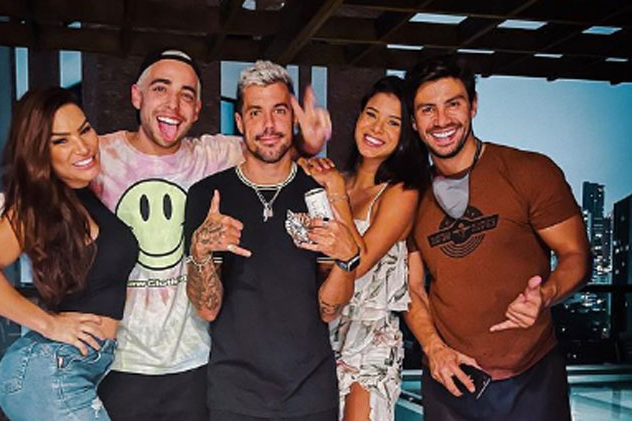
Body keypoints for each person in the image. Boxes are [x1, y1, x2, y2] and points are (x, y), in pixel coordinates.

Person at [0, 49, 330, 419]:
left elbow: (268, 148)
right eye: (161, 89)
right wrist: (5, 212)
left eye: (186, 95)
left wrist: (307, 144)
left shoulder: (215, 155)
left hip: (191, 362)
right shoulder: (96, 155)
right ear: (136, 95)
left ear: (197, 109)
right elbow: (39, 184)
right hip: (117, 364)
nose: (173, 106)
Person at [403, 55, 590, 420]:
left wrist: (546, 294)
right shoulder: (410, 198)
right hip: (450, 377)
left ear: (473, 106)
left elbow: (577, 256)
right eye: (427, 110)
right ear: (414, 121)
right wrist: (433, 348)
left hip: (532, 375)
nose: (441, 120)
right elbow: (411, 288)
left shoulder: (530, 171)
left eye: (453, 104)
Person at [184, 60, 360, 421]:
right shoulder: (208, 196)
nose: (268, 125)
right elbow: (207, 309)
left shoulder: (318, 195)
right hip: (236, 396)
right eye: (255, 113)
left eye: (279, 111)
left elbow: (329, 311)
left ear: (292, 118)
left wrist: (346, 262)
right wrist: (200, 251)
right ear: (239, 122)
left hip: (310, 396)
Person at [0, 87, 138, 420]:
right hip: (50, 370)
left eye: (84, 130)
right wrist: (49, 324)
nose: (83, 147)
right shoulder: (38, 205)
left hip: (70, 367)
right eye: (61, 141)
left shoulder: (79, 195)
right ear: (40, 153)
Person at [298, 76, 430, 421]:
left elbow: (357, 262)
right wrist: (304, 151)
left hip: (371, 340)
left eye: (393, 122)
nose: (377, 128)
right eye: (371, 114)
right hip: (319, 333)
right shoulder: (335, 177)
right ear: (358, 117)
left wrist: (336, 192)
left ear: (406, 134)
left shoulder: (401, 192)